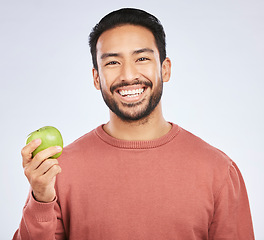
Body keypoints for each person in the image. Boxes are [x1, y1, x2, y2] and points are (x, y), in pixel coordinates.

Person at [13, 8, 255, 240]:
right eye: (112, 62)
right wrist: (41, 200)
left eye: (141, 58)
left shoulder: (218, 171)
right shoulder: (60, 171)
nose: (128, 75)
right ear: (97, 78)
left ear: (165, 69)